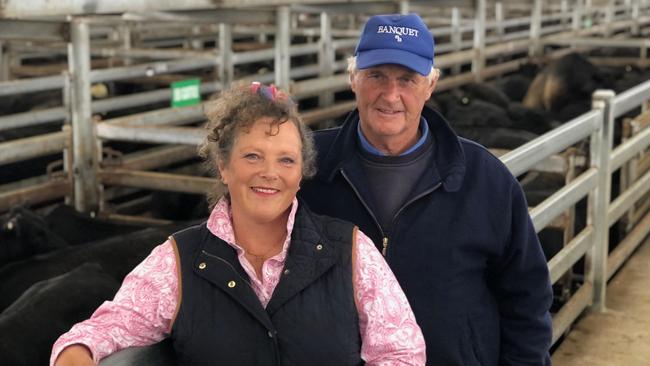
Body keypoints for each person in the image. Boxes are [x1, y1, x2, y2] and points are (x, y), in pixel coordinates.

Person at [50, 83, 426, 366]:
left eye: (286, 161)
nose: (269, 173)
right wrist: (77, 352)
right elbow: (106, 328)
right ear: (224, 167)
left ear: (301, 174)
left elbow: (402, 352)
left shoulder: (353, 252)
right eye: (252, 156)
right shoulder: (176, 262)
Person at [298, 13, 553, 366]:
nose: (391, 95)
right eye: (376, 76)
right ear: (352, 79)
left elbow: (526, 297)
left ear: (430, 86)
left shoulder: (485, 178)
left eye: (407, 79)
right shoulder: (305, 168)